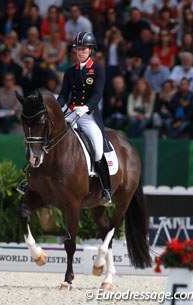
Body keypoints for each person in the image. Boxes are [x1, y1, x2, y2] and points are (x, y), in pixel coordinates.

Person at [57, 31, 112, 206]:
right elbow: (63, 95)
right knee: (50, 136)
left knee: (97, 149)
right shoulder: (70, 72)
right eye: (78, 49)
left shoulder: (97, 70)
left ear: (91, 50)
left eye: (84, 49)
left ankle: (106, 190)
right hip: (71, 113)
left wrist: (86, 108)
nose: (80, 52)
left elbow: (97, 95)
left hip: (88, 116)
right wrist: (58, 108)